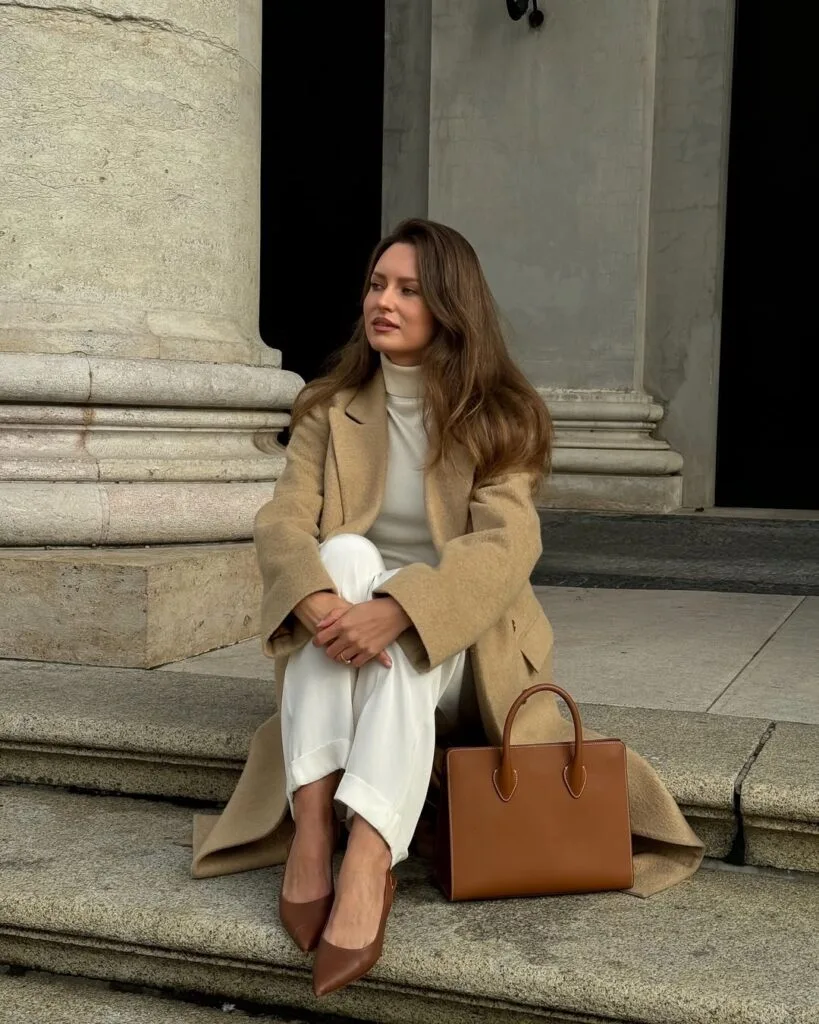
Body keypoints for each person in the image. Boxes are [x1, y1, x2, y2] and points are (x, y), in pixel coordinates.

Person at [191, 218, 704, 997]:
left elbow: (506, 546)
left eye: (407, 289)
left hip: (463, 653)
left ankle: (367, 858)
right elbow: (282, 521)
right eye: (375, 284)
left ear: (450, 307)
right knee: (347, 555)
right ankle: (317, 826)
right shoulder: (328, 409)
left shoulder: (503, 416)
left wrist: (398, 610)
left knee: (402, 618)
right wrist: (328, 600)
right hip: (345, 637)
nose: (383, 302)